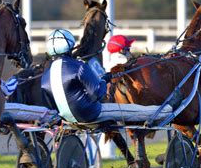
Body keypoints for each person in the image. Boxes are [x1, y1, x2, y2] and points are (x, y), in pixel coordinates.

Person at [41, 29, 171, 124]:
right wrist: (105, 79)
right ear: (70, 46)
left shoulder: (45, 75)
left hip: (66, 118)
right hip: (90, 114)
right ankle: (169, 108)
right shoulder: (78, 66)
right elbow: (98, 92)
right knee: (139, 111)